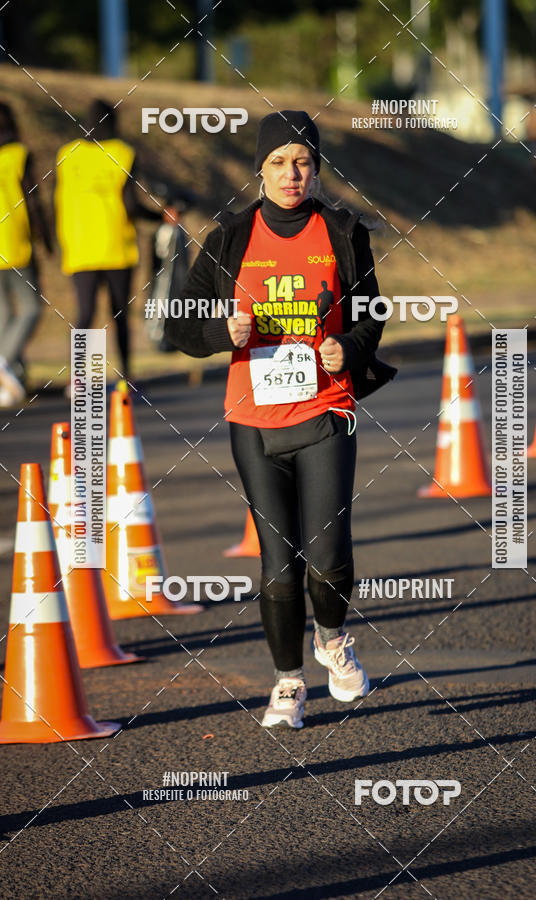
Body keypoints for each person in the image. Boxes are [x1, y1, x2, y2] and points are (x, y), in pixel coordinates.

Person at [166, 110, 395, 729]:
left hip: (327, 409)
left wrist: (347, 346)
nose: (291, 174)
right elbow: (179, 328)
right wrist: (222, 330)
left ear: (316, 169)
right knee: (277, 560)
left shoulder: (344, 231)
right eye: (278, 162)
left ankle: (332, 637)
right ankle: (288, 683)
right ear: (260, 169)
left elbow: (372, 315)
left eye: (302, 162)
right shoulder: (231, 238)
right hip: (253, 420)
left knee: (326, 557)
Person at [54, 99, 162, 386]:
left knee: (85, 313)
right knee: (120, 315)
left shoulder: (67, 154)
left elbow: (58, 201)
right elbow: (130, 206)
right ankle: (126, 376)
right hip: (117, 248)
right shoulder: (123, 153)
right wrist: (161, 216)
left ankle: (77, 380)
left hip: (79, 248)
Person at [0, 101, 53, 406]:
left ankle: (12, 382)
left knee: (4, 315)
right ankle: (4, 362)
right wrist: (44, 238)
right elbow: (32, 201)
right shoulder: (18, 155)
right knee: (31, 309)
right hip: (14, 244)